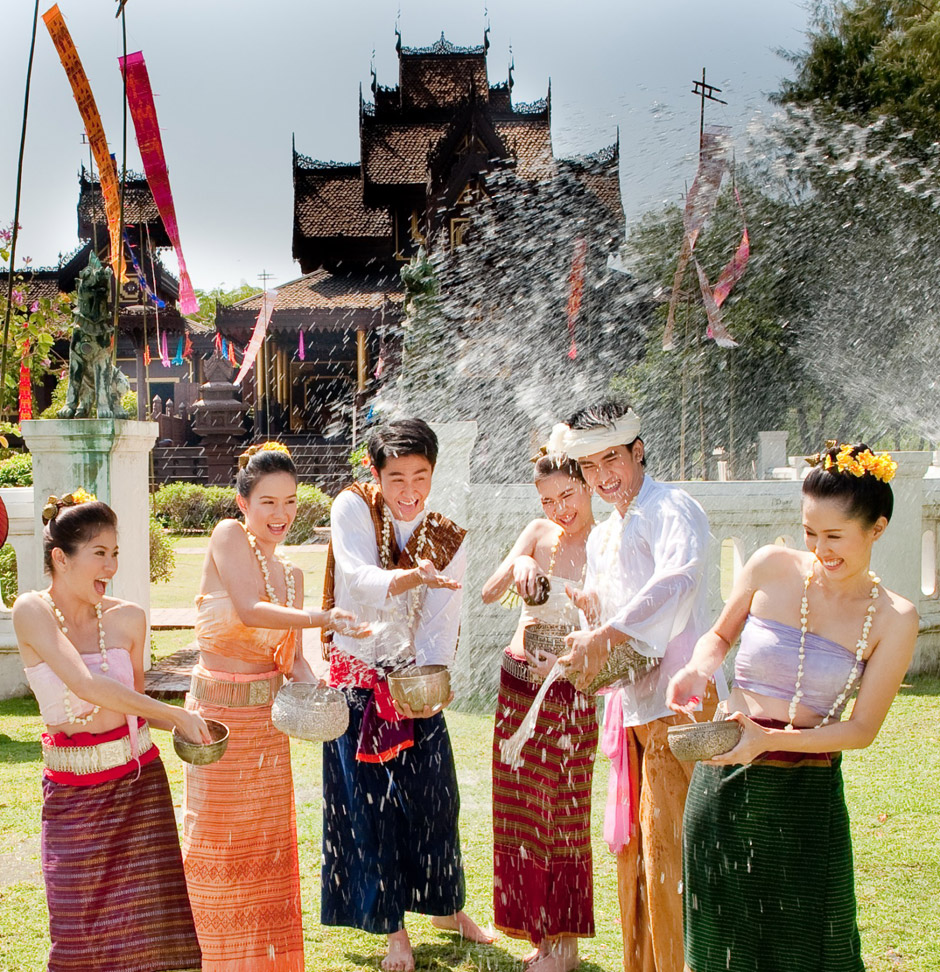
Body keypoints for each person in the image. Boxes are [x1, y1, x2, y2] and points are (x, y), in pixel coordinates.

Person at [666, 442, 917, 972]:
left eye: (834, 536)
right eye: (810, 532)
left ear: (877, 528)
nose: (820, 549)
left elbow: (862, 729)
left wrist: (769, 740)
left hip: (807, 797)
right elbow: (719, 636)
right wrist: (697, 669)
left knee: (813, 947)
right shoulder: (770, 566)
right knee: (718, 949)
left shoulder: (895, 617)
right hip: (725, 780)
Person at [550, 400, 725, 972]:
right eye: (590, 466)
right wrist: (589, 608)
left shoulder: (671, 507)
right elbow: (611, 608)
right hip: (632, 705)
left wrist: (607, 630)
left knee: (673, 854)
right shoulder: (605, 534)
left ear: (638, 451)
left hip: (682, 701)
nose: (602, 477)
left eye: (612, 460)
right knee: (639, 856)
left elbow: (678, 581)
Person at [181, 443, 367, 972]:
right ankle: (212, 961)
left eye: (290, 501)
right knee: (214, 842)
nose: (280, 514)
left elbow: (292, 662)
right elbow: (248, 608)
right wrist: (322, 617)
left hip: (267, 727)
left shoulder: (293, 576)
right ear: (243, 502)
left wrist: (332, 699)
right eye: (268, 501)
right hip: (216, 722)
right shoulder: (227, 536)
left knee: (265, 848)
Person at [320, 418, 492, 972]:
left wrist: (433, 677)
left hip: (411, 682)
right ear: (375, 474)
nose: (409, 490)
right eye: (396, 477)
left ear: (433, 473)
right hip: (358, 682)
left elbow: (441, 621)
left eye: (421, 476)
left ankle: (445, 908)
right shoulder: (352, 507)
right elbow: (356, 578)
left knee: (437, 798)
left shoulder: (444, 533)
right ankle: (394, 929)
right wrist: (413, 577)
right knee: (372, 807)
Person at [13, 491, 208, 972]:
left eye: (115, 552)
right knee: (78, 932)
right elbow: (85, 684)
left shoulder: (129, 618)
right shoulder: (31, 610)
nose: (111, 566)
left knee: (147, 934)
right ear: (61, 558)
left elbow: (134, 705)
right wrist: (175, 716)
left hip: (138, 786)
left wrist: (191, 720)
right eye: (99, 553)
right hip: (72, 794)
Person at [481, 453, 598, 972]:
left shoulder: (607, 542)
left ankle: (566, 946)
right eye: (547, 500)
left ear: (588, 485)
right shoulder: (536, 531)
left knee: (564, 814)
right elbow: (488, 593)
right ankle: (540, 934)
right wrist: (519, 564)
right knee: (521, 813)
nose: (558, 509)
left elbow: (613, 621)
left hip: (570, 690)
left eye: (566, 495)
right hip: (517, 684)